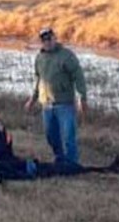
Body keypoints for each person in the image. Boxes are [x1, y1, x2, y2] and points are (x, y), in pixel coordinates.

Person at [25, 27, 86, 167]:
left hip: (64, 104)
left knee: (68, 137)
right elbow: (38, 79)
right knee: (51, 136)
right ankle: (59, 158)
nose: (47, 42)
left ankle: (72, 164)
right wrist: (32, 100)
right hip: (46, 105)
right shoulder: (39, 58)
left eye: (49, 38)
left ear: (55, 38)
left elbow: (78, 76)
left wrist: (81, 97)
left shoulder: (67, 55)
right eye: (44, 40)